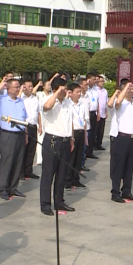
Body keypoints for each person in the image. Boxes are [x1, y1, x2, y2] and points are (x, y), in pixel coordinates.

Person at [39, 78, 76, 215]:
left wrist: (72, 138)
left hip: (65, 141)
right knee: (48, 174)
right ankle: (45, 204)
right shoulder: (49, 99)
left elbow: (69, 121)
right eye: (62, 89)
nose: (65, 91)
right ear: (55, 89)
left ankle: (59, 201)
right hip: (52, 141)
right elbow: (46, 107)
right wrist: (55, 94)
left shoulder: (68, 103)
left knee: (62, 174)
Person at [0, 78, 28, 201]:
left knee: (18, 160)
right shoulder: (2, 100)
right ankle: (3, 188)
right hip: (8, 134)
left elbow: (24, 118)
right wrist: (1, 85)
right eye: (16, 87)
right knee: (8, 161)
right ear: (8, 88)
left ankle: (13, 187)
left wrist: (26, 135)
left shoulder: (20, 101)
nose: (18, 89)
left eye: (18, 87)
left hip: (20, 133)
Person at [109, 80, 133, 203]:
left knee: (129, 166)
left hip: (132, 139)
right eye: (128, 88)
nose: (131, 90)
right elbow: (116, 103)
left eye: (132, 88)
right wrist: (124, 89)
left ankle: (126, 191)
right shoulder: (121, 104)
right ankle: (115, 192)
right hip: (121, 138)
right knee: (119, 166)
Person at [66, 83, 87, 189]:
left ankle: (76, 179)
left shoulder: (82, 105)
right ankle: (68, 180)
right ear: (71, 93)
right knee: (71, 157)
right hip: (72, 133)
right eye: (77, 92)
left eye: (80, 92)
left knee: (79, 157)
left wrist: (85, 136)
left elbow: (84, 120)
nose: (79, 94)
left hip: (80, 132)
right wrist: (71, 137)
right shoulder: (68, 105)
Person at [20, 79, 42, 180]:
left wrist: (40, 125)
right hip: (25, 126)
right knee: (23, 149)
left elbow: (38, 113)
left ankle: (29, 171)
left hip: (33, 126)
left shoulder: (35, 99)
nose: (30, 88)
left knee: (32, 149)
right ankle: (21, 172)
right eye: (28, 86)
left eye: (31, 86)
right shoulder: (21, 98)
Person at [85, 73, 99, 160]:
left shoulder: (95, 89)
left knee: (93, 133)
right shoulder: (85, 89)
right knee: (87, 133)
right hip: (87, 113)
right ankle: (85, 151)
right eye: (93, 79)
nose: (95, 81)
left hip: (94, 113)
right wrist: (87, 83)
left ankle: (90, 151)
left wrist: (98, 113)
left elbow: (97, 101)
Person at [95, 76, 108, 151]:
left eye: (103, 81)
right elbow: (97, 102)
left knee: (101, 130)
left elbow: (105, 102)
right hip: (97, 113)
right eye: (101, 81)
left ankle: (99, 144)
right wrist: (98, 113)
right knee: (96, 130)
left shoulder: (105, 91)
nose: (102, 83)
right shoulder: (95, 90)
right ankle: (94, 144)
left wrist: (106, 112)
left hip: (103, 112)